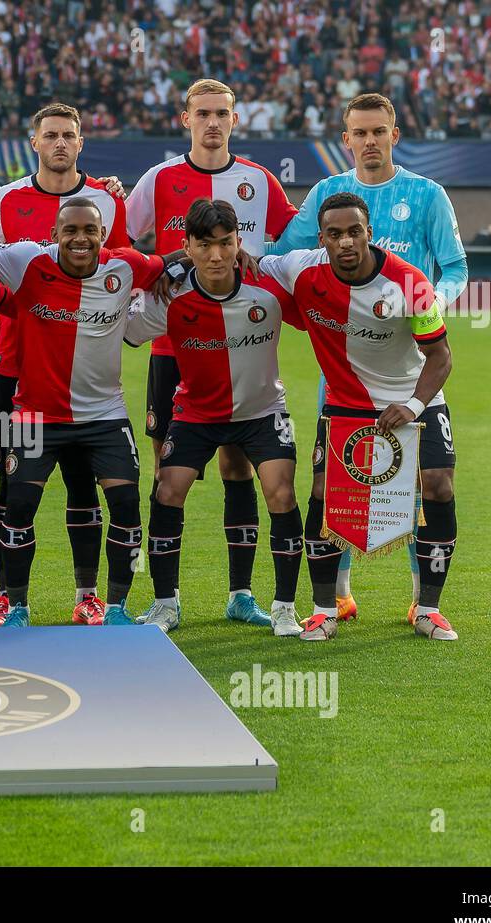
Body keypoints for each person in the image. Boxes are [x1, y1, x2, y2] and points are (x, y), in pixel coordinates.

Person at [269, 92, 468, 625]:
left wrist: (425, 309)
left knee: (424, 484)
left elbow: (455, 266)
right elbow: (285, 251)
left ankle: (422, 600)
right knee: (338, 486)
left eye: (379, 131)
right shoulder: (329, 192)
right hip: (345, 364)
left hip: (412, 352)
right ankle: (335, 595)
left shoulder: (427, 194)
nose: (370, 141)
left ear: (394, 135)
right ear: (346, 139)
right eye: (360, 132)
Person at [126, 78, 299, 630]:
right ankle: (166, 596)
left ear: (235, 117)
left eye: (222, 113)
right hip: (175, 339)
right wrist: (160, 273)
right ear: (186, 118)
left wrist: (260, 269)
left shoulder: (259, 180)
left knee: (237, 465)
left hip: (244, 335)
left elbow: (289, 243)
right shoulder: (157, 180)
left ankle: (242, 594)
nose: (213, 122)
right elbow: (122, 243)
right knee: (168, 473)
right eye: (203, 113)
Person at [0, 198, 179, 627]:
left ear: (102, 236)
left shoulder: (125, 267)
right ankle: (17, 607)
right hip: (37, 416)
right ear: (56, 235)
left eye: (90, 231)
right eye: (71, 231)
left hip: (104, 416)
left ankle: (110, 607)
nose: (80, 239)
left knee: (126, 504)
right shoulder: (26, 261)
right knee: (18, 504)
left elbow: (166, 262)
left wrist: (206, 254)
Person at [0, 102, 130, 627]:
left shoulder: (108, 200)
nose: (60, 143)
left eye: (69, 135)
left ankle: (88, 595)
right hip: (13, 370)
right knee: (10, 484)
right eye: (51, 135)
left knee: (84, 484)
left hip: (82, 372)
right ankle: (6, 595)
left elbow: (122, 268)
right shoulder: (4, 199)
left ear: (81, 142)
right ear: (34, 141)